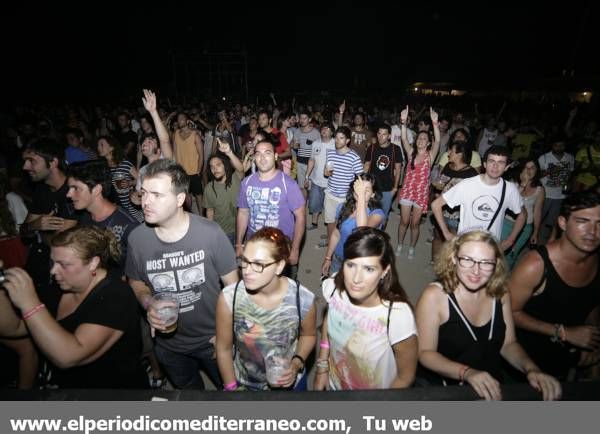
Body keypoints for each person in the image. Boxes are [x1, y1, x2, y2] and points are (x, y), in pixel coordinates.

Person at [126, 159, 238, 390]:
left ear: (180, 199)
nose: (145, 201)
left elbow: (233, 288)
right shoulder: (137, 239)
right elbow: (136, 282)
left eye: (156, 195)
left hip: (212, 339)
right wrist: (148, 303)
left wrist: (227, 334)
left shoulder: (210, 233)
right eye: (144, 192)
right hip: (168, 348)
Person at [415, 230, 561, 401]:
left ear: (496, 264)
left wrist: (532, 369)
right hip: (444, 389)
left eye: (486, 263)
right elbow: (425, 353)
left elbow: (508, 344)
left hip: (490, 388)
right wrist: (466, 373)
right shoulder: (434, 296)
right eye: (468, 260)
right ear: (454, 259)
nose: (476, 271)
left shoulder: (501, 293)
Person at [2, 226, 148, 389]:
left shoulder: (117, 295)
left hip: (113, 399)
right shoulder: (59, 288)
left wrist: (30, 303)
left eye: (63, 264)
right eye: (53, 262)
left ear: (93, 263)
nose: (52, 271)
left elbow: (69, 356)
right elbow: (15, 328)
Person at [510, 190, 600, 380]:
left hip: (566, 364)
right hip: (525, 365)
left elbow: (590, 305)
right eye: (582, 221)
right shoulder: (535, 265)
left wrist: (592, 341)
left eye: (599, 223)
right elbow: (509, 312)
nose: (592, 232)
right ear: (562, 223)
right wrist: (562, 332)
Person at [314, 227, 418, 390]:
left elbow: (406, 377)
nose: (356, 279)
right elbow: (330, 318)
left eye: (369, 269)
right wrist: (322, 367)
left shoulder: (397, 315)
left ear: (384, 271)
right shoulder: (334, 287)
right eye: (351, 265)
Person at [215, 227, 317, 391]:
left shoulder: (302, 299)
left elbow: (309, 334)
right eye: (245, 261)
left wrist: (297, 362)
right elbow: (223, 348)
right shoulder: (229, 298)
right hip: (245, 384)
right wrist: (231, 389)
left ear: (279, 266)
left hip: (290, 384)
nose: (247, 271)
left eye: (258, 264)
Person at [432, 145, 526, 252]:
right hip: (465, 244)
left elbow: (522, 215)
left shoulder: (510, 189)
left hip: (490, 247)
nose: (495, 166)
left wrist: (510, 241)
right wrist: (446, 234)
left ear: (507, 167)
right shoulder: (467, 184)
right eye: (491, 161)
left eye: (500, 162)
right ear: (484, 164)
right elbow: (436, 205)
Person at [236, 138, 305, 279]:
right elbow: (243, 213)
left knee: (283, 287)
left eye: (267, 153)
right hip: (255, 244)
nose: (262, 157)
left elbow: (301, 217)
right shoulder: (246, 183)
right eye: (258, 154)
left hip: (281, 246)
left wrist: (295, 249)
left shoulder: (288, 184)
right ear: (254, 158)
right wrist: (238, 243)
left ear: (275, 156)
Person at [66, 159, 139, 272]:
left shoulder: (128, 226)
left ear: (96, 189)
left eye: (76, 188)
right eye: (69, 188)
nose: (69, 194)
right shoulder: (83, 217)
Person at [397, 106, 441, 260]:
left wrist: (435, 123)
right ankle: (400, 244)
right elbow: (403, 139)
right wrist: (403, 122)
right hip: (408, 191)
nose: (421, 140)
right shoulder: (411, 152)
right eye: (419, 138)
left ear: (428, 143)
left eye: (424, 139)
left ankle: (412, 247)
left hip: (421, 194)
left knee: (414, 224)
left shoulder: (430, 155)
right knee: (404, 221)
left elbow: (438, 141)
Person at [321, 175, 385, 277]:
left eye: (366, 190)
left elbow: (361, 230)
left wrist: (360, 198)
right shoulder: (343, 207)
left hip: (357, 264)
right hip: (338, 258)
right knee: (333, 289)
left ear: (373, 194)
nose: (361, 191)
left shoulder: (377, 214)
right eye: (359, 187)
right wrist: (328, 258)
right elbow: (336, 234)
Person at [430, 141, 479, 264]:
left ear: (460, 154)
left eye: (451, 150)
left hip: (457, 216)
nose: (448, 153)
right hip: (441, 211)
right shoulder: (447, 166)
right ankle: (434, 262)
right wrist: (437, 189)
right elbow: (440, 183)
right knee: (437, 237)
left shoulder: (471, 174)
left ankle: (448, 267)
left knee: (453, 243)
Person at [322, 126, 364, 247]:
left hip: (345, 198)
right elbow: (327, 171)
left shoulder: (354, 157)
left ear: (347, 141)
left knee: (342, 225)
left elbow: (361, 178)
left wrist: (358, 196)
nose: (337, 140)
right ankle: (330, 244)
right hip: (330, 194)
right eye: (336, 137)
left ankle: (340, 245)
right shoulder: (330, 153)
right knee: (330, 222)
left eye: (341, 138)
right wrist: (325, 172)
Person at [501, 159, 545, 268]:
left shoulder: (540, 189)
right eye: (526, 167)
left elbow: (537, 211)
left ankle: (506, 279)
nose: (529, 170)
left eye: (532, 167)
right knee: (499, 250)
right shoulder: (513, 184)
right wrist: (522, 185)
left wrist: (535, 232)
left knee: (511, 254)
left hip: (525, 227)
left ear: (536, 170)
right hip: (507, 222)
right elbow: (508, 203)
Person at [204, 139, 245, 245]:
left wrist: (229, 152)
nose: (215, 169)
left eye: (218, 165)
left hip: (241, 228)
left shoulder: (235, 178)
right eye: (212, 167)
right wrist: (211, 231)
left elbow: (241, 169)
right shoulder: (209, 188)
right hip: (223, 232)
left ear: (225, 165)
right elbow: (209, 211)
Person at [97, 135, 143, 222]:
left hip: (131, 205)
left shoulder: (124, 164)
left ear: (111, 147)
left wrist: (130, 183)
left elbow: (140, 180)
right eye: (98, 145)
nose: (98, 147)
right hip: (117, 208)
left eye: (101, 144)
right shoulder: (102, 168)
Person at [538, 135, 574, 243]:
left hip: (561, 194)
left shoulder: (570, 157)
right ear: (552, 146)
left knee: (553, 222)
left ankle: (547, 241)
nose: (559, 148)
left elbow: (570, 172)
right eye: (556, 145)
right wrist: (552, 170)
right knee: (539, 218)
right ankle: (534, 238)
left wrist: (569, 182)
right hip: (546, 193)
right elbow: (537, 175)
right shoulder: (544, 158)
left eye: (561, 145)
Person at [364, 124, 402, 220]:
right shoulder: (371, 148)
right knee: (368, 213)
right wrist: (363, 182)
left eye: (384, 134)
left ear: (389, 136)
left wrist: (395, 188)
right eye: (379, 133)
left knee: (383, 216)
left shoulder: (395, 149)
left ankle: (380, 234)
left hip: (387, 188)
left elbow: (398, 170)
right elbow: (366, 166)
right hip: (372, 187)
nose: (380, 136)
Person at [304, 123, 336, 231]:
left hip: (331, 182)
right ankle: (314, 223)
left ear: (332, 132)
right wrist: (307, 176)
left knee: (330, 207)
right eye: (323, 128)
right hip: (316, 180)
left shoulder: (336, 144)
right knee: (314, 203)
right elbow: (311, 160)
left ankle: (331, 228)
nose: (324, 130)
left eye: (327, 128)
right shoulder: (315, 143)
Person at [173, 112, 204, 215]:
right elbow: (175, 152)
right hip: (182, 171)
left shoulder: (195, 135)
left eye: (182, 118)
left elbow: (201, 154)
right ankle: (189, 215)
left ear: (187, 121)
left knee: (198, 195)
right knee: (186, 195)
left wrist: (199, 170)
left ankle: (201, 215)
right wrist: (176, 169)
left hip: (194, 170)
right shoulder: (176, 134)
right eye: (178, 119)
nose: (180, 120)